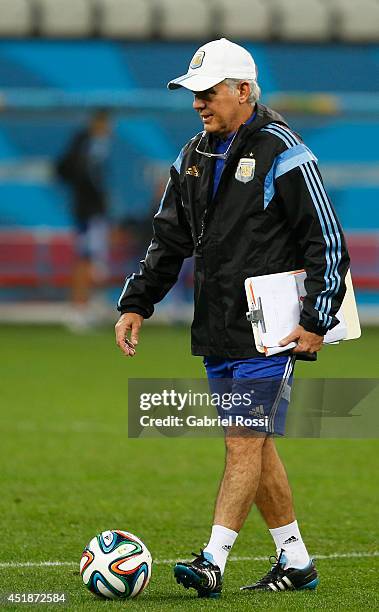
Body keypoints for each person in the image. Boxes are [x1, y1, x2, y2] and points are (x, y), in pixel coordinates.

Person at [115, 39, 350, 598]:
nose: (198, 103)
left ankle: (212, 559)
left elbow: (327, 240)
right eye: (193, 94)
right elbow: (168, 238)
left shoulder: (284, 151)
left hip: (271, 330)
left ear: (243, 91)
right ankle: (296, 562)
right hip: (217, 326)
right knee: (255, 443)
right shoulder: (192, 155)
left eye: (208, 92)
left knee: (244, 440)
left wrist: (317, 318)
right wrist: (135, 301)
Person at [56, 109, 111, 329]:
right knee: (85, 259)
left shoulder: (96, 148)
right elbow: (68, 171)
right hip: (87, 213)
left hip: (92, 213)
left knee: (94, 261)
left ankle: (89, 305)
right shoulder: (85, 146)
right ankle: (78, 308)